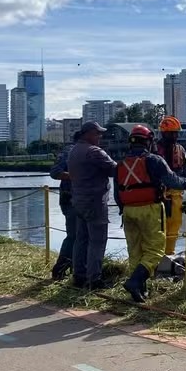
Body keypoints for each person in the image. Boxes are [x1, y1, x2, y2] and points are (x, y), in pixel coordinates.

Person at [114, 124, 186, 303]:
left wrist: (123, 209)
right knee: (156, 250)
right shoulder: (154, 160)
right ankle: (135, 282)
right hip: (150, 208)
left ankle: (139, 290)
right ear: (148, 142)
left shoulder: (120, 164)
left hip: (128, 211)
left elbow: (117, 192)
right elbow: (172, 180)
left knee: (135, 251)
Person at [67, 121, 117, 289]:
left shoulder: (74, 150)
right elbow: (115, 169)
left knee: (81, 240)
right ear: (88, 134)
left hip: (78, 201)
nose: (100, 136)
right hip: (94, 202)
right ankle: (94, 279)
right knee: (97, 241)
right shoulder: (94, 151)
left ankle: (79, 276)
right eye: (97, 133)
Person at [155, 115, 186, 255]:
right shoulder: (154, 150)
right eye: (172, 133)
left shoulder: (180, 150)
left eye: (176, 133)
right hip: (158, 198)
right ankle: (156, 258)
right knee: (158, 231)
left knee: (174, 229)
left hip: (176, 198)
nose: (175, 136)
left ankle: (169, 256)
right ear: (164, 133)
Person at [49, 130, 80, 280]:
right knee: (74, 236)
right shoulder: (70, 151)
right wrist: (78, 177)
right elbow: (55, 172)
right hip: (71, 200)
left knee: (78, 236)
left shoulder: (79, 151)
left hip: (76, 200)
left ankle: (75, 269)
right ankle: (60, 268)